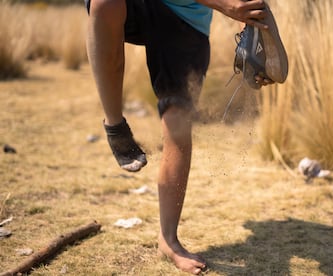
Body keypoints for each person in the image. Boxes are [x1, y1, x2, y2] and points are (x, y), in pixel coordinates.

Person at [84, 0, 279, 274]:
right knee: (105, 3)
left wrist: (256, 37)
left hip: (186, 22)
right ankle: (115, 124)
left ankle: (168, 240)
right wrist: (227, 6)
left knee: (178, 123)